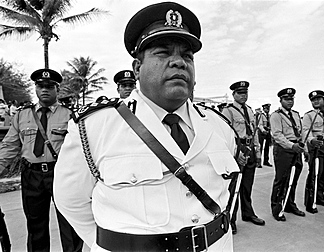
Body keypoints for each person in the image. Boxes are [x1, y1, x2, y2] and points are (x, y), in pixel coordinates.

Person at [53, 2, 240, 251]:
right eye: (163, 53)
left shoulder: (219, 126)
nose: (179, 63)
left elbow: (224, 192)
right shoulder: (95, 126)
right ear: (137, 69)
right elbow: (70, 201)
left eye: (187, 56)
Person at [0, 68, 83, 251]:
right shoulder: (22, 115)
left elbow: (82, 147)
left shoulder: (70, 115)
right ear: (35, 89)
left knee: (69, 223)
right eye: (40, 86)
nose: (44, 89)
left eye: (49, 86)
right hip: (32, 175)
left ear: (57, 89)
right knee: (36, 225)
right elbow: (10, 146)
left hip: (62, 174)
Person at [222, 81, 265, 234]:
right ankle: (231, 219)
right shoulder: (228, 111)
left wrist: (258, 153)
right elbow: (225, 135)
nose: (243, 96)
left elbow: (254, 134)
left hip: (250, 150)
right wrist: (236, 153)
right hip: (237, 149)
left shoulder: (250, 111)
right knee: (234, 188)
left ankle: (248, 213)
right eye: (240, 93)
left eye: (245, 93)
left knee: (247, 186)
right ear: (233, 94)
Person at [270, 88, 306, 221]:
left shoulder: (296, 115)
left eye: (291, 99)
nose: (289, 102)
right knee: (281, 180)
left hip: (296, 149)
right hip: (284, 150)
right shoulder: (276, 115)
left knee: (293, 179)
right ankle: (277, 208)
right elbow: (277, 135)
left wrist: (303, 147)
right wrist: (292, 146)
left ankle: (290, 204)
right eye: (286, 99)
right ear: (281, 100)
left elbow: (300, 133)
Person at [258, 103, 272, 167]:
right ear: (264, 109)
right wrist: (263, 130)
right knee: (260, 147)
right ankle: (259, 162)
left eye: (268, 108)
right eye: (267, 108)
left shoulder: (269, 115)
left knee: (267, 147)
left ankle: (266, 161)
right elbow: (260, 124)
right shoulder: (261, 115)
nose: (268, 110)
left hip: (268, 131)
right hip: (262, 132)